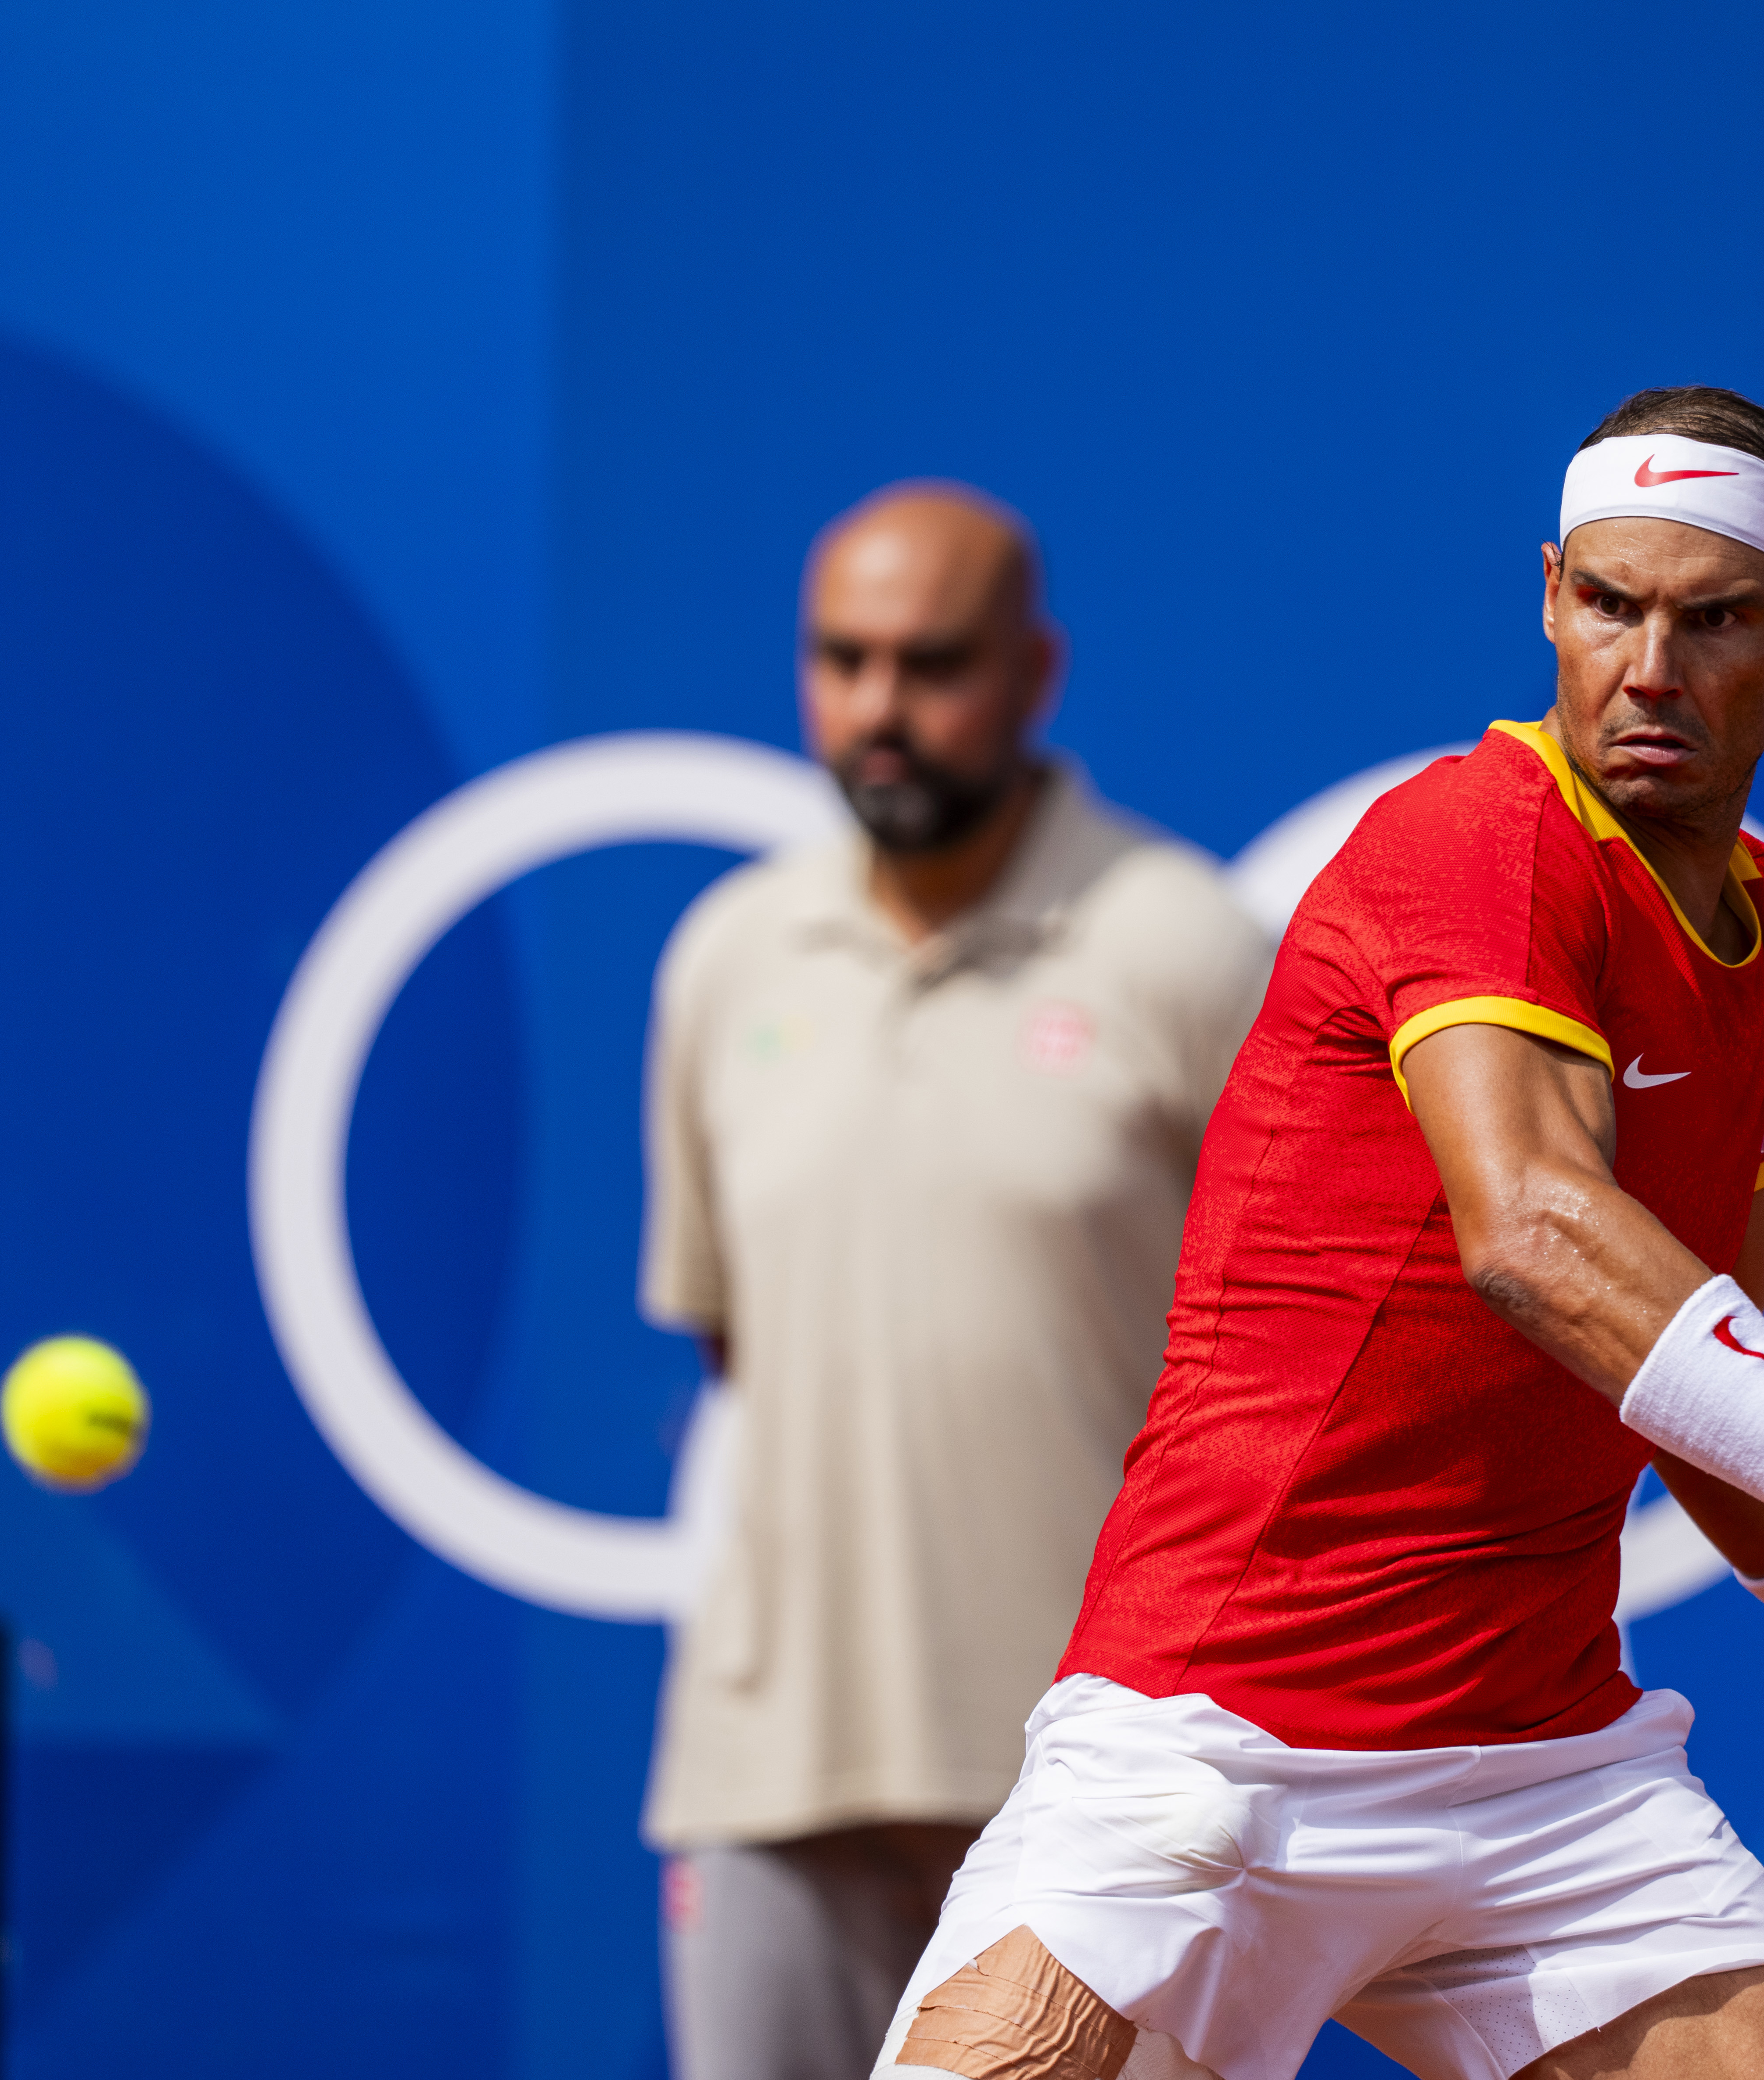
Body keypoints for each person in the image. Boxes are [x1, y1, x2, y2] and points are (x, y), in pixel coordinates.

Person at [866, 389, 1764, 2080]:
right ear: (1550, 593)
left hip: (1540, 1776)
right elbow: (1538, 1236)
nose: (1649, 667)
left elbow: (1695, 1389)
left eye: (1714, 621)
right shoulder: (1476, 844)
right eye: (1609, 604)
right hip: (1219, 1747)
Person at [639, 484, 1275, 2080]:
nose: (878, 709)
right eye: (841, 660)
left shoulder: (1187, 951)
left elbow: (1294, 1364)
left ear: (1035, 670)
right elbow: (737, 1349)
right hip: (768, 1766)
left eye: (931, 664)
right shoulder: (725, 960)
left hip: (1103, 1779)